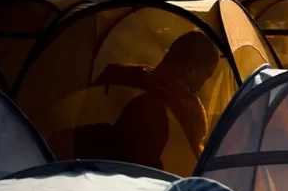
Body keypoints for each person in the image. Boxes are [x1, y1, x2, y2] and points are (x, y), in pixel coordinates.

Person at [68, 31, 221, 171]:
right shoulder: (180, 110)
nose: (203, 85)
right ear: (191, 69)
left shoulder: (123, 76)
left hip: (77, 163)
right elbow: (189, 167)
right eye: (206, 76)